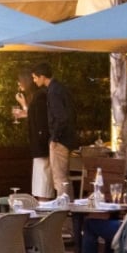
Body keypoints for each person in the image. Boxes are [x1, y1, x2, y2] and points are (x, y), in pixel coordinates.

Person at [32, 63, 77, 200]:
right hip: (68, 138)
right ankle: (69, 205)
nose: (34, 81)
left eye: (35, 77)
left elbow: (61, 117)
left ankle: (63, 207)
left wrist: (54, 138)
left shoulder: (53, 92)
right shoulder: (61, 88)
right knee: (65, 177)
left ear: (42, 76)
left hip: (60, 140)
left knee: (59, 177)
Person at [14, 68, 52, 199]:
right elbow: (34, 115)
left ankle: (44, 204)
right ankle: (42, 202)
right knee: (40, 178)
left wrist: (24, 105)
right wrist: (25, 111)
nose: (19, 84)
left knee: (43, 177)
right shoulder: (36, 96)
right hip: (38, 145)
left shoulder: (40, 96)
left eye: (20, 81)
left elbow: (40, 118)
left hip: (41, 144)